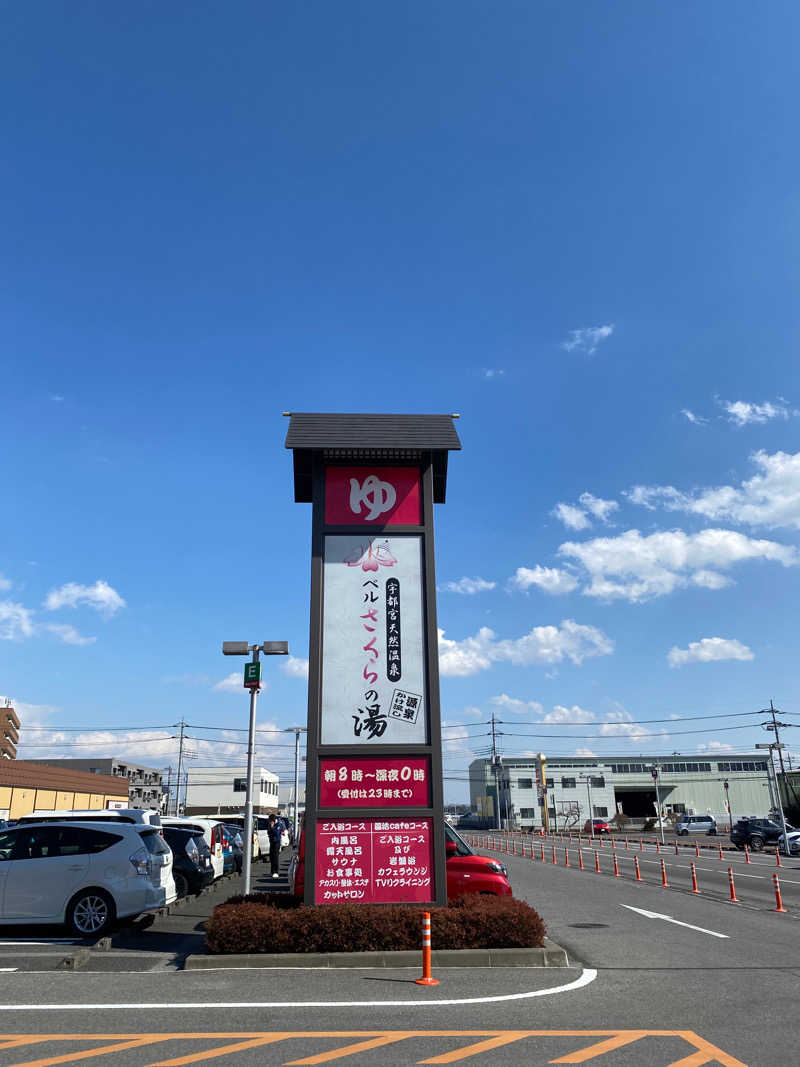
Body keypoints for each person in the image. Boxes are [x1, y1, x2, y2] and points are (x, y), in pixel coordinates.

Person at [267, 813, 282, 879]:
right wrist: (270, 828)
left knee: (275, 857)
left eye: (270, 820)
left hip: (276, 842)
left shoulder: (278, 824)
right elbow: (269, 832)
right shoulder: (270, 824)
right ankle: (272, 871)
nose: (270, 822)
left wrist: (272, 827)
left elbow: (276, 833)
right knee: (271, 856)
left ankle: (276, 872)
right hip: (272, 842)